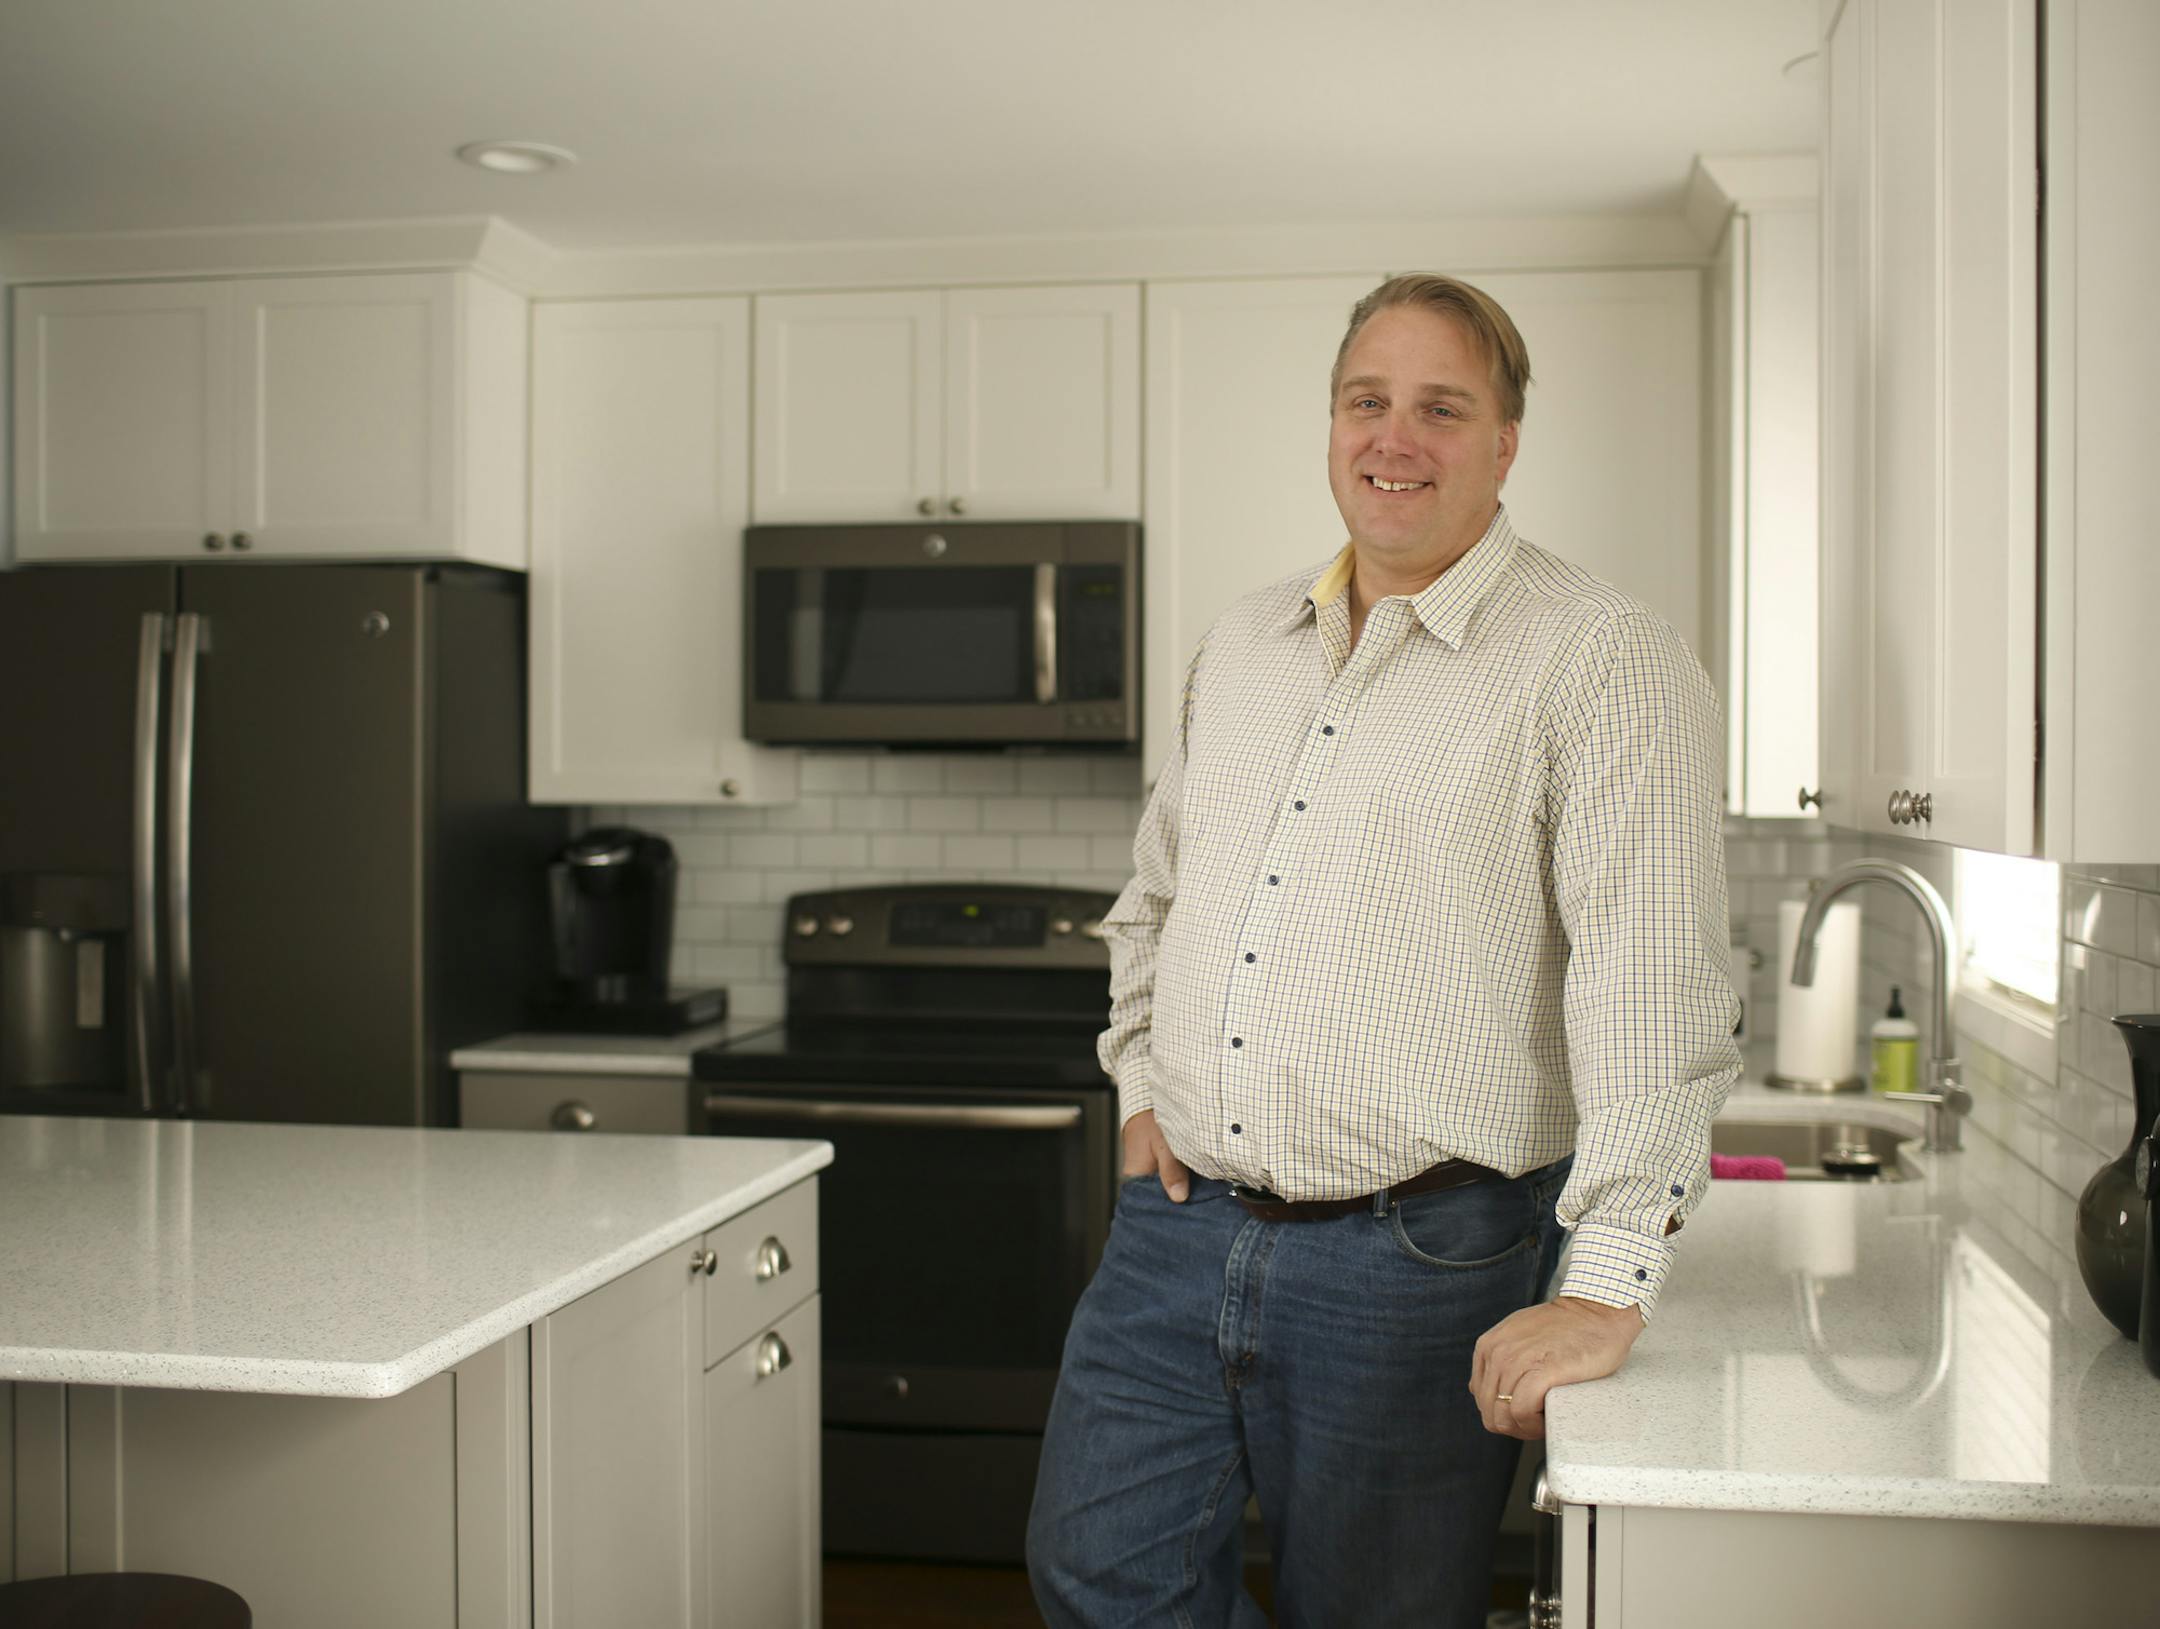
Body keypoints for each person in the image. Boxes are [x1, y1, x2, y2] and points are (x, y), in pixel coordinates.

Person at [1025, 273, 1741, 1628]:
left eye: (1440, 407)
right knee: (1093, 1570)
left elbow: (1653, 998)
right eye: (1369, 401)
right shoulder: (1241, 643)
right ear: (1333, 421)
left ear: (1504, 442)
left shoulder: (1603, 658)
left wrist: (1606, 1283)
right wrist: (1137, 1089)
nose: (1393, 438)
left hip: (1416, 1258)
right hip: (1178, 1230)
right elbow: (1155, 897)